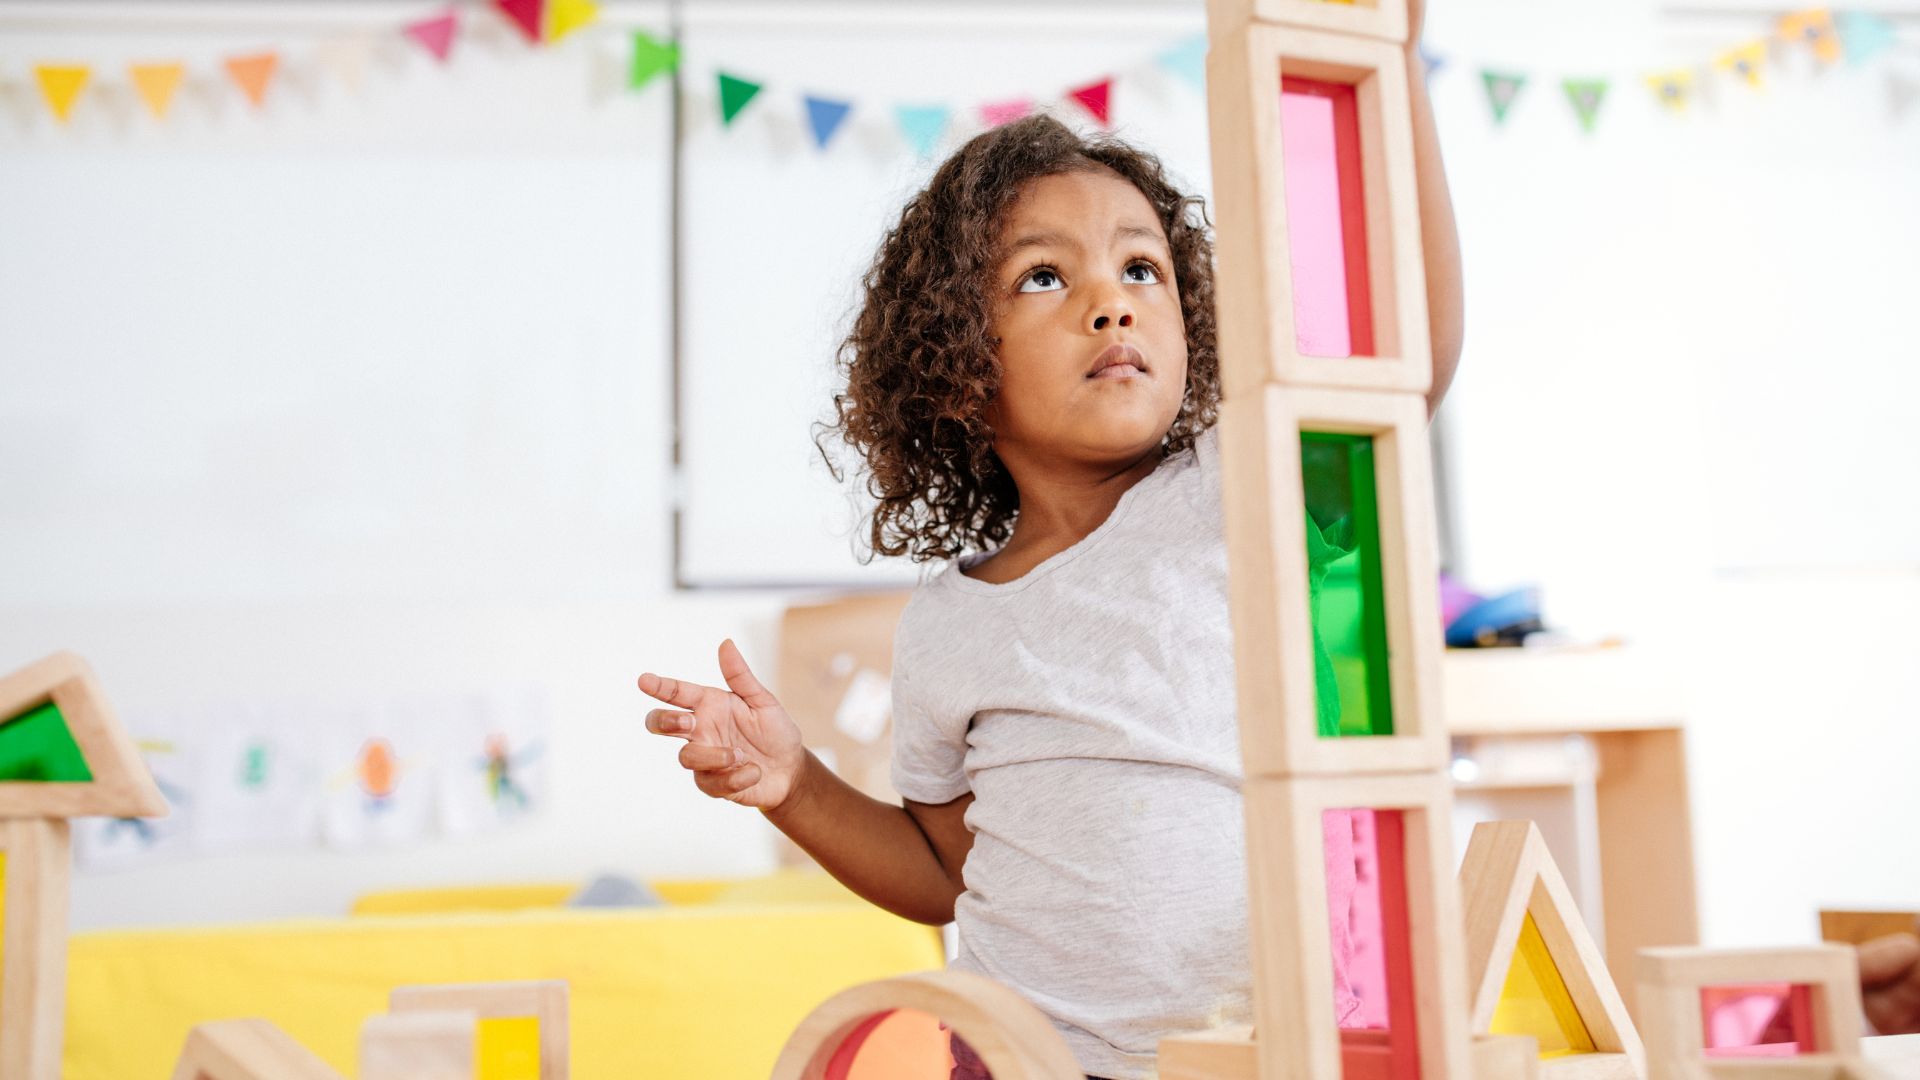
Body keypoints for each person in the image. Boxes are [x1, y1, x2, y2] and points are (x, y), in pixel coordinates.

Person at [638, 12, 1461, 1077]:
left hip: (1272, 1050)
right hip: (1025, 1058)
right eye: (1044, 277)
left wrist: (1394, 71)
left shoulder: (1242, 484)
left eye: (1142, 270)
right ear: (958, 360)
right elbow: (943, 868)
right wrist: (796, 784)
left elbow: (1409, 356)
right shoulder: (950, 623)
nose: (1110, 304)